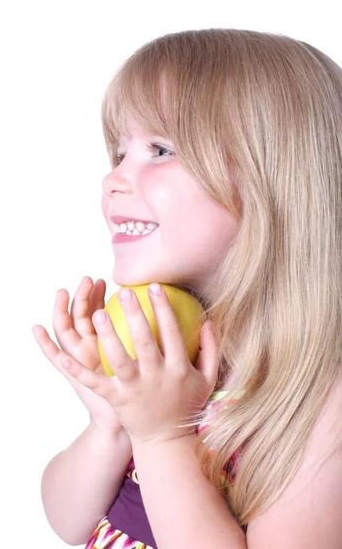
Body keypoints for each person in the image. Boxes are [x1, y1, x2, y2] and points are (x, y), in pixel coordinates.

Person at [32, 29, 342, 548]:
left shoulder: (317, 397)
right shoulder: (171, 346)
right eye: (119, 153)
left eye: (159, 149)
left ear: (274, 177)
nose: (114, 179)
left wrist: (161, 436)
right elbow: (69, 521)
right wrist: (111, 421)